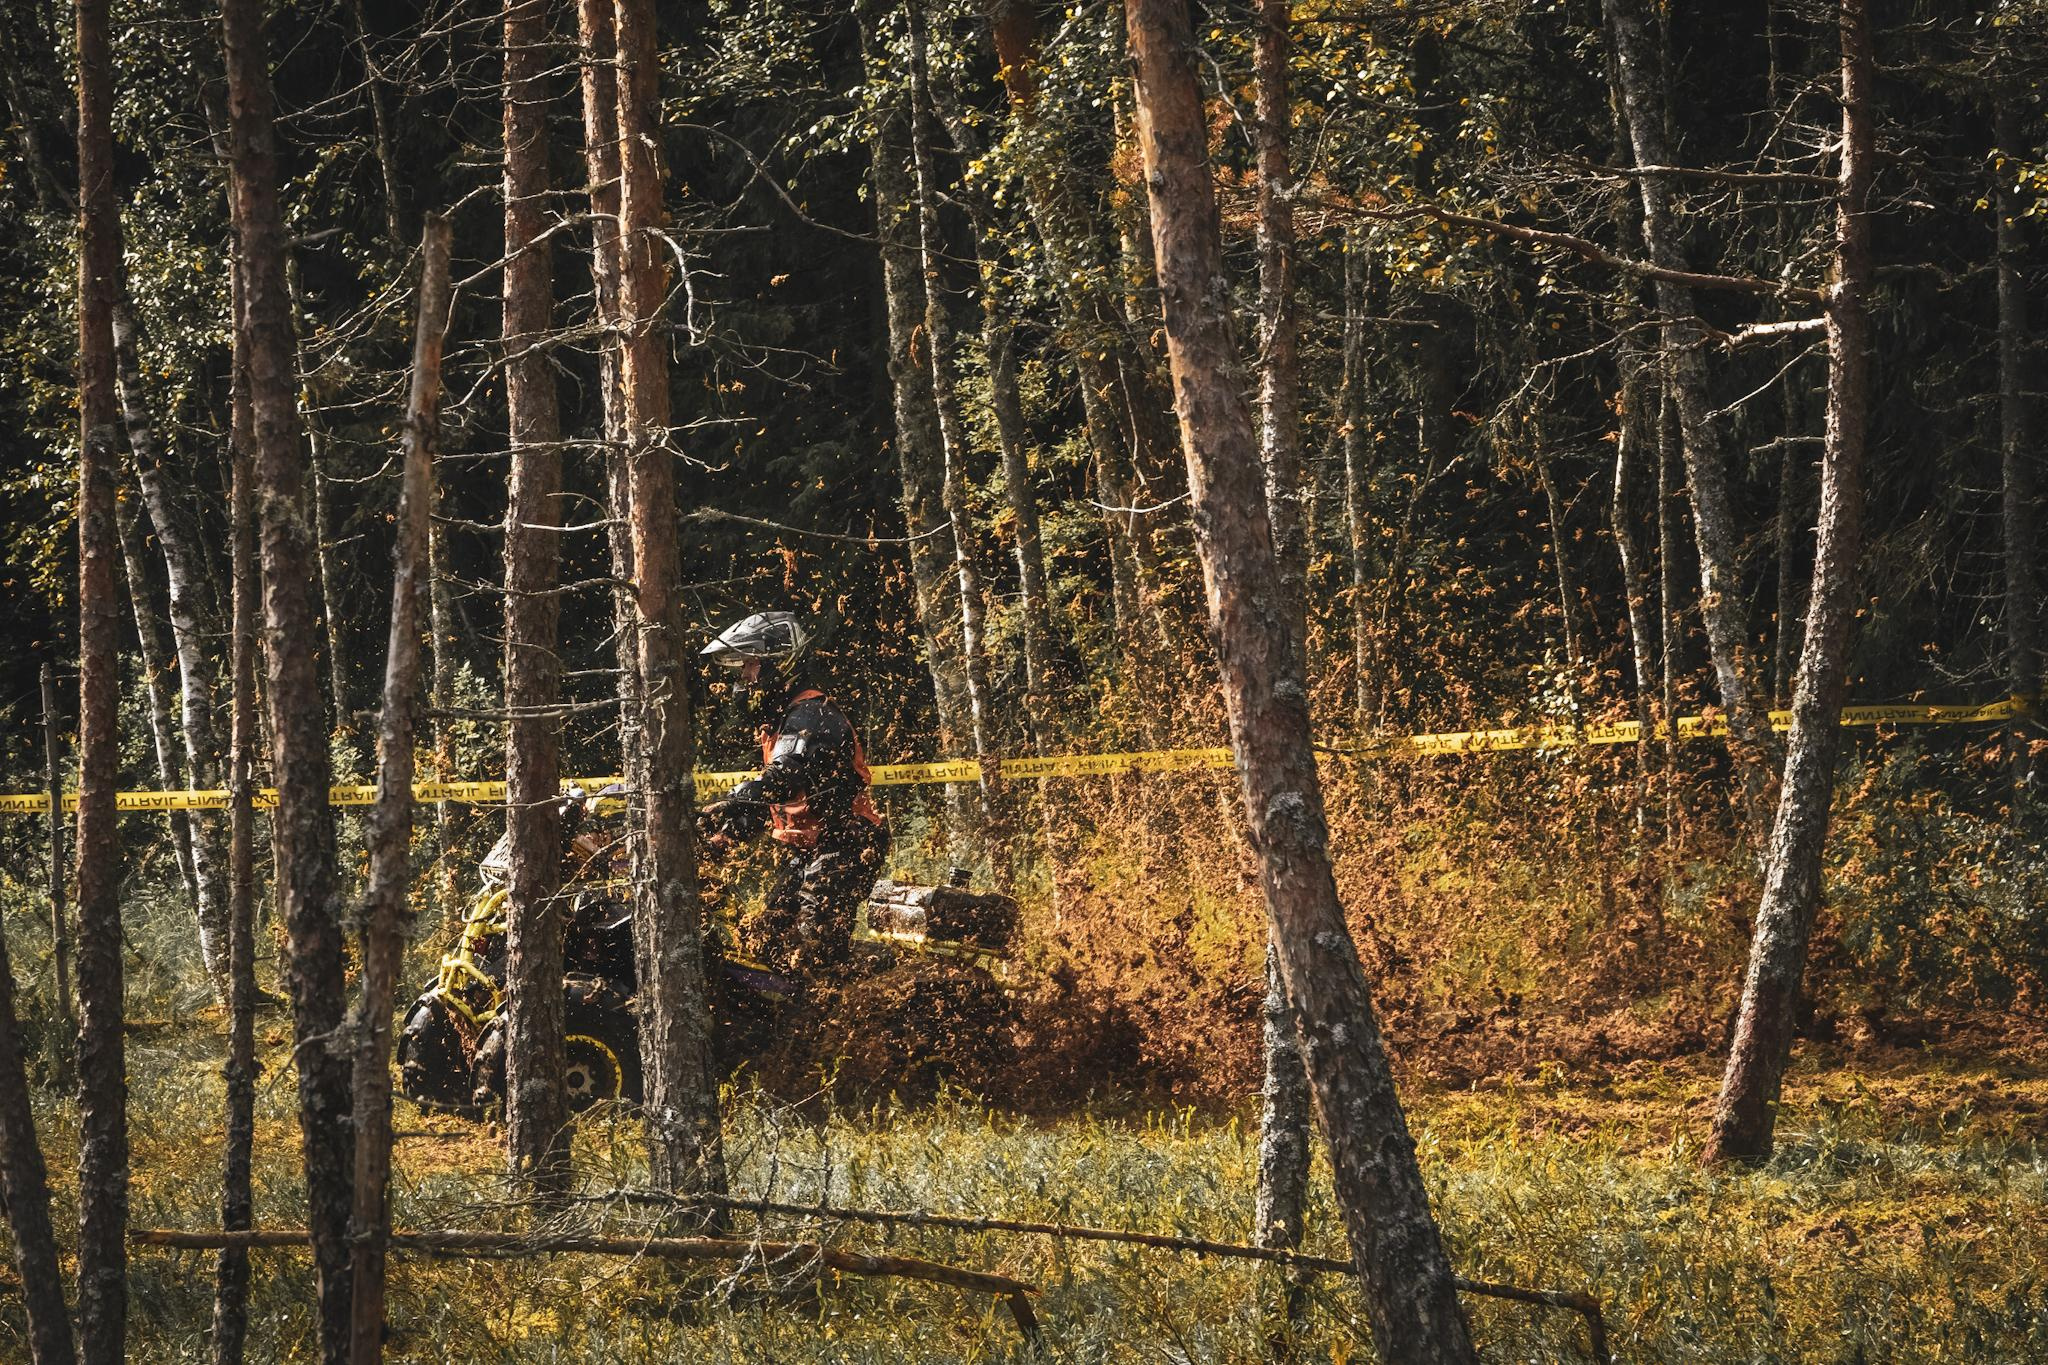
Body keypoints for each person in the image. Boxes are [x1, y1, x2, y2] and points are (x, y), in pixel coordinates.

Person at [698, 611, 890, 975]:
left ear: (778, 662)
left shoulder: (812, 714)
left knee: (813, 945)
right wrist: (724, 837)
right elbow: (773, 802)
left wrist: (729, 800)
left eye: (750, 664)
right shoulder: (781, 723)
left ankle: (861, 993)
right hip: (812, 849)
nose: (745, 676)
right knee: (768, 936)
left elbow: (783, 778)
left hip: (847, 842)